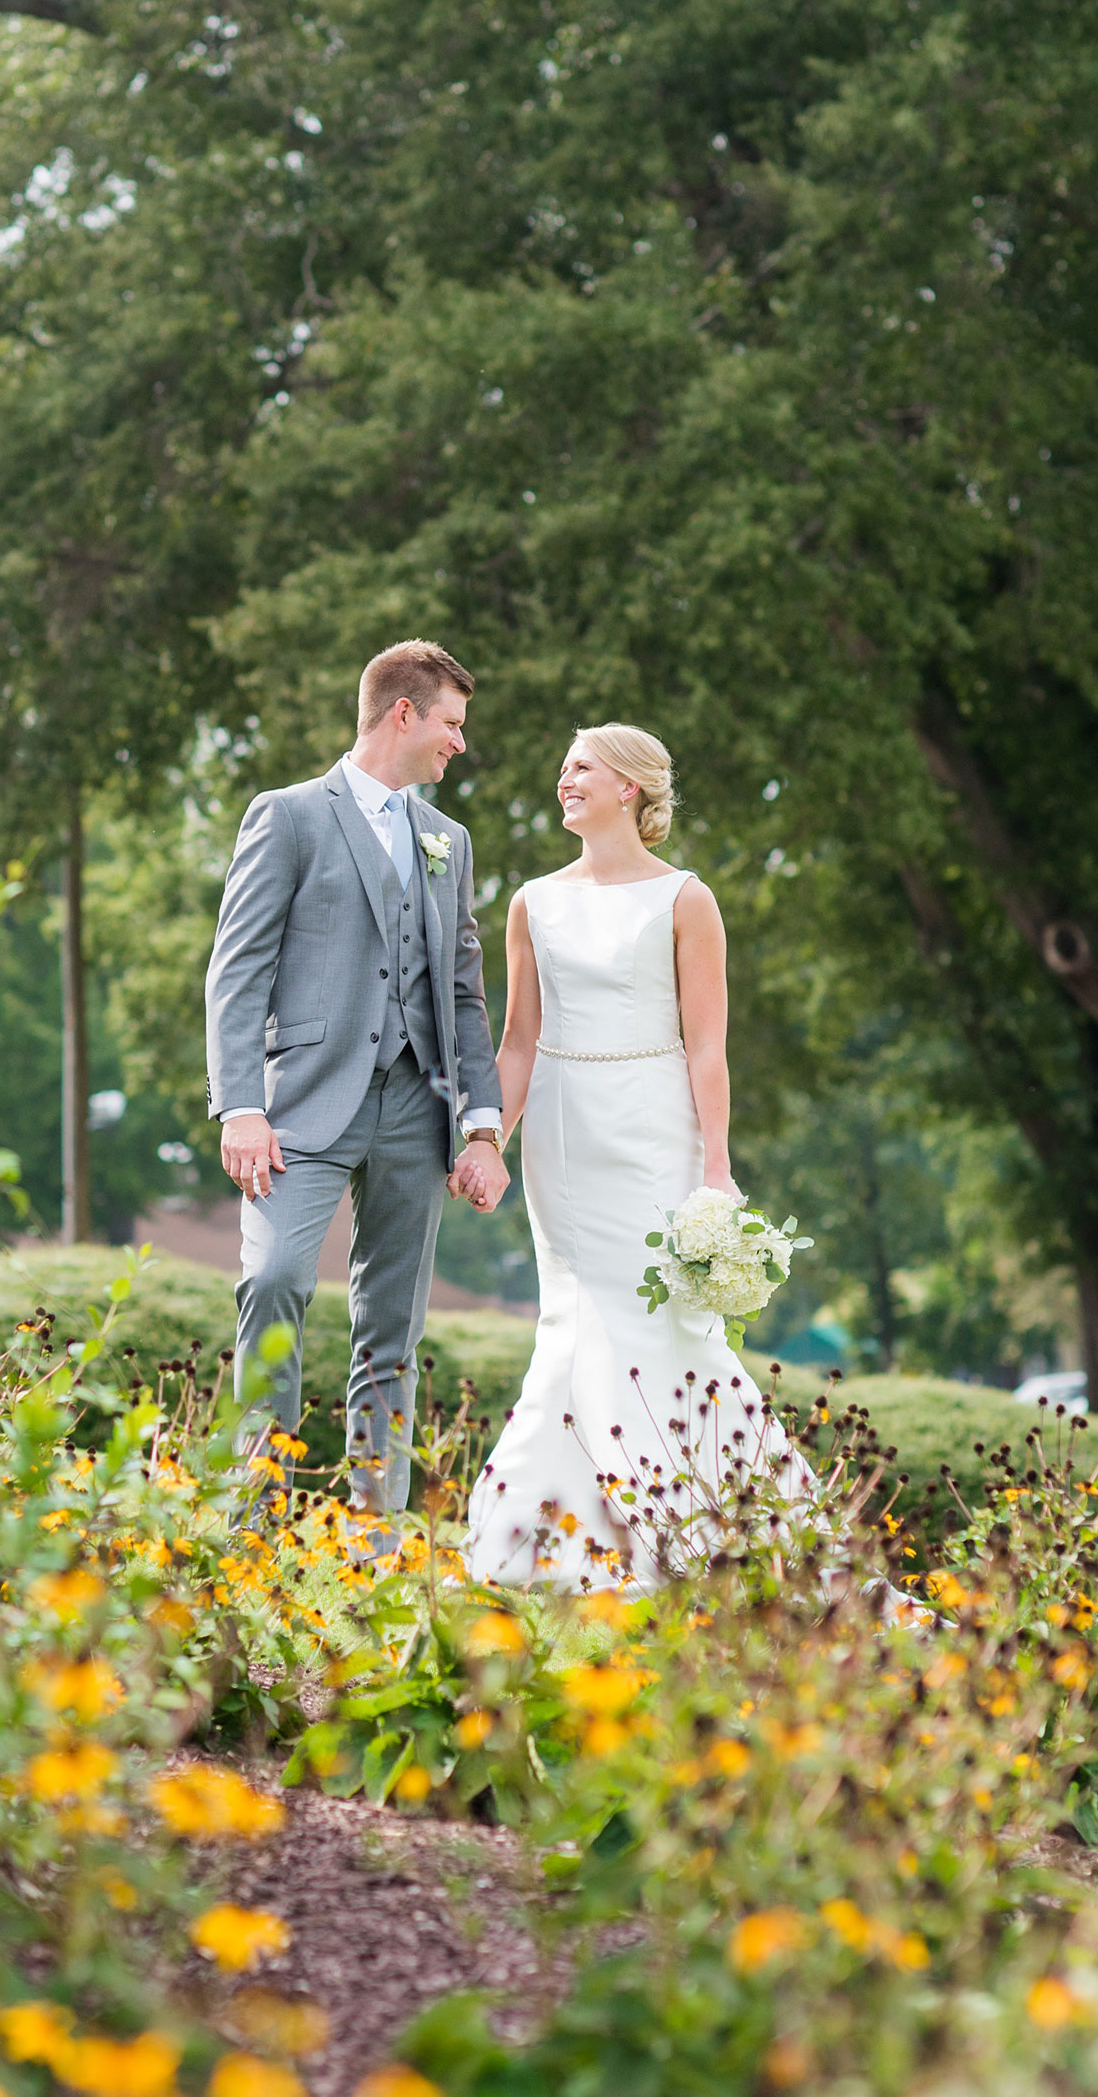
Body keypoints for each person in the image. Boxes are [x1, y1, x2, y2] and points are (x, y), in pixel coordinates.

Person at [467, 722, 806, 1586]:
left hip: (655, 1128)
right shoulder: (531, 902)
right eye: (563, 767)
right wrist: (487, 1143)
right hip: (559, 1133)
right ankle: (558, 1544)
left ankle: (712, 1530)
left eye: (581, 767)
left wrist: (717, 1170)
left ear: (631, 787)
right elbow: (516, 1041)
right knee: (573, 1318)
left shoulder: (686, 899)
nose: (563, 779)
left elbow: (706, 1048)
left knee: (663, 1322)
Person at [205, 640, 509, 1517]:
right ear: (404, 714)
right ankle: (253, 1530)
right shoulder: (290, 815)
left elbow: (462, 991)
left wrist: (480, 1129)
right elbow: (238, 969)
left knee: (392, 1332)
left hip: (418, 1113)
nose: (459, 742)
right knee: (275, 1282)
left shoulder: (448, 840)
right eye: (452, 723)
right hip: (301, 1107)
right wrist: (241, 1107)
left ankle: (368, 1547)